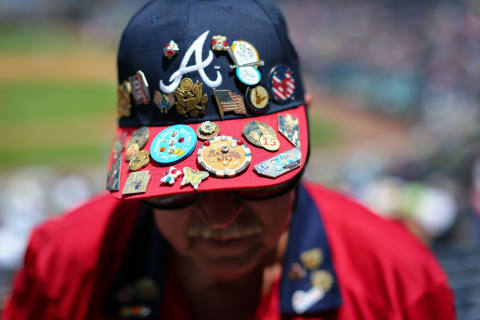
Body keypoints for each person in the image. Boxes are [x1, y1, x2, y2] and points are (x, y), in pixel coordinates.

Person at [2, 0, 455, 319]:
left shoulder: (400, 282)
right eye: (176, 189)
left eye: (254, 177)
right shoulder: (59, 266)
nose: (219, 219)